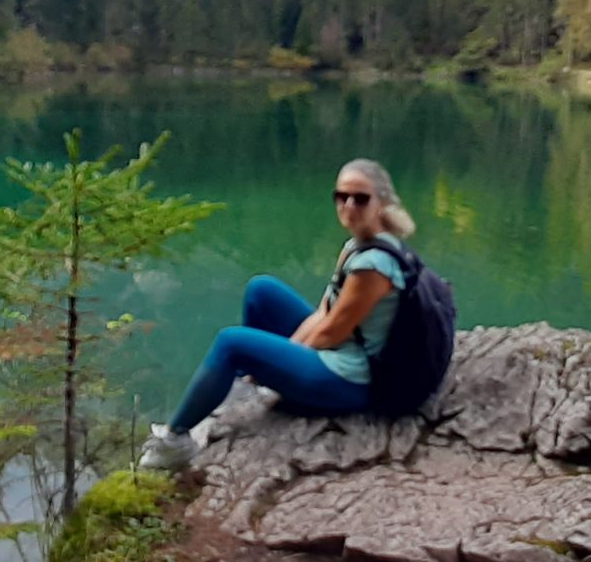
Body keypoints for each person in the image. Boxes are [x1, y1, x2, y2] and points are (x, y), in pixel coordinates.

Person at [139, 158, 418, 470]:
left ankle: (176, 440)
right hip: (344, 351)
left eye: (361, 198)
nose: (349, 205)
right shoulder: (359, 246)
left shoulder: (374, 266)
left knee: (232, 343)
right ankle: (254, 385)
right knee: (262, 290)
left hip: (353, 383)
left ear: (381, 202)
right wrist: (276, 361)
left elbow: (330, 333)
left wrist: (279, 359)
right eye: (341, 197)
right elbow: (323, 313)